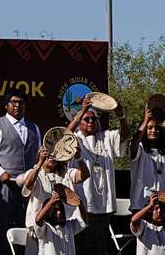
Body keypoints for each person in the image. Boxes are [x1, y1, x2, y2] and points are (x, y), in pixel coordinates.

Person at [66, 95, 130, 254]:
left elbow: (125, 135)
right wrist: (81, 112)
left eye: (93, 119)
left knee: (100, 249)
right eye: (86, 119)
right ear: (80, 122)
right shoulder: (75, 140)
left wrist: (121, 115)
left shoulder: (106, 137)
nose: (90, 122)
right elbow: (63, 136)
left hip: (103, 205)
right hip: (82, 205)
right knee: (82, 248)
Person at [0, 88, 40, 254]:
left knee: (27, 228)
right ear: (6, 105)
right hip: (3, 188)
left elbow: (38, 157)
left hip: (27, 189)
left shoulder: (34, 128)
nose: (17, 106)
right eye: (13, 102)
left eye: (21, 103)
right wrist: (0, 172)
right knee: (3, 229)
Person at [18, 147, 88, 254]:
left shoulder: (66, 173)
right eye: (47, 153)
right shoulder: (34, 173)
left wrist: (78, 158)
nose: (51, 156)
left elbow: (84, 175)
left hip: (64, 226)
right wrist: (40, 162)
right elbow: (28, 184)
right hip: (40, 229)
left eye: (54, 153)